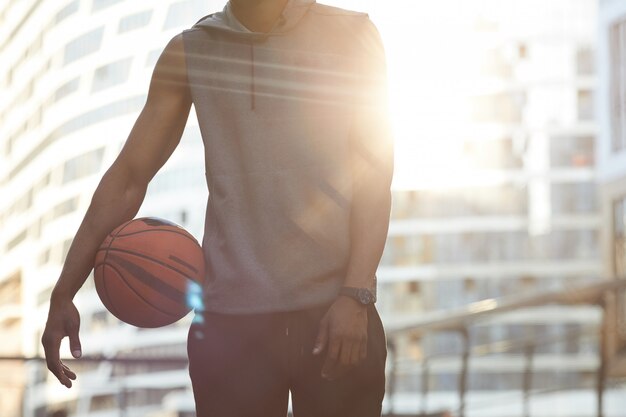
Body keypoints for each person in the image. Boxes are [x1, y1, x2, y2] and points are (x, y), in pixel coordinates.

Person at [41, 0, 393, 415]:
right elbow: (129, 177)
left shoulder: (351, 33)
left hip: (334, 310)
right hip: (230, 326)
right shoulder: (191, 50)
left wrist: (356, 295)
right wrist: (64, 291)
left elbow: (374, 173)